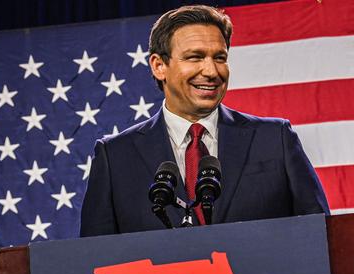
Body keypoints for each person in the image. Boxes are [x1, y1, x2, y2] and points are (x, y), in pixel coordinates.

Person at [80, 5, 329, 237]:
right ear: (159, 66)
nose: (211, 71)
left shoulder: (275, 139)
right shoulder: (115, 156)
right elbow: (94, 260)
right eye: (195, 57)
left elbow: (321, 236)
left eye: (219, 58)